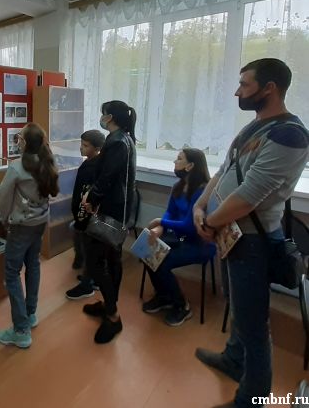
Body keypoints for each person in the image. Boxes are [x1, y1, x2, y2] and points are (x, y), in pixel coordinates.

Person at [192, 59, 309, 408]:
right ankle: (233, 359)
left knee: (255, 326)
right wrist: (200, 206)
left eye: (244, 84)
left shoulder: (290, 134)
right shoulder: (253, 128)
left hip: (252, 241)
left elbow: (249, 196)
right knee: (238, 308)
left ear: (269, 88)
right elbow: (223, 172)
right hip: (230, 234)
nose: (237, 92)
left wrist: (210, 223)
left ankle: (251, 399)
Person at [0, 123, 59, 349]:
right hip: (40, 223)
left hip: (21, 226)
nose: (18, 140)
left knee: (11, 274)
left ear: (24, 142)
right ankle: (30, 314)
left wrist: (4, 218)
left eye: (19, 137)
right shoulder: (48, 162)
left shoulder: (16, 167)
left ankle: (21, 330)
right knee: (33, 265)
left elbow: (4, 197)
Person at [82, 100, 137, 344]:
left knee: (95, 260)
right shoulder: (124, 138)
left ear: (110, 117)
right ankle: (108, 304)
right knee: (112, 258)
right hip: (119, 208)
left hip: (112, 209)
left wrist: (91, 199)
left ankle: (113, 316)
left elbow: (107, 177)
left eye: (103, 114)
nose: (101, 117)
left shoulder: (116, 142)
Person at [142, 148, 216, 326]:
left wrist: (161, 222)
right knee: (147, 251)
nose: (174, 161)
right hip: (180, 237)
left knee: (162, 262)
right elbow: (170, 212)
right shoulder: (178, 186)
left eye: (179, 158)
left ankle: (182, 306)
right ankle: (164, 296)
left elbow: (190, 227)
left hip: (200, 243)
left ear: (190, 166)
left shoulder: (202, 191)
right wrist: (161, 227)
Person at [66, 129, 106, 300]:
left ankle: (87, 285)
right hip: (82, 213)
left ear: (97, 148)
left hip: (86, 214)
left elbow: (88, 194)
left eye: (85, 145)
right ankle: (93, 278)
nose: (81, 148)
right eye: (81, 144)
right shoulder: (90, 162)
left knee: (89, 249)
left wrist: (81, 216)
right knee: (88, 246)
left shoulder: (95, 166)